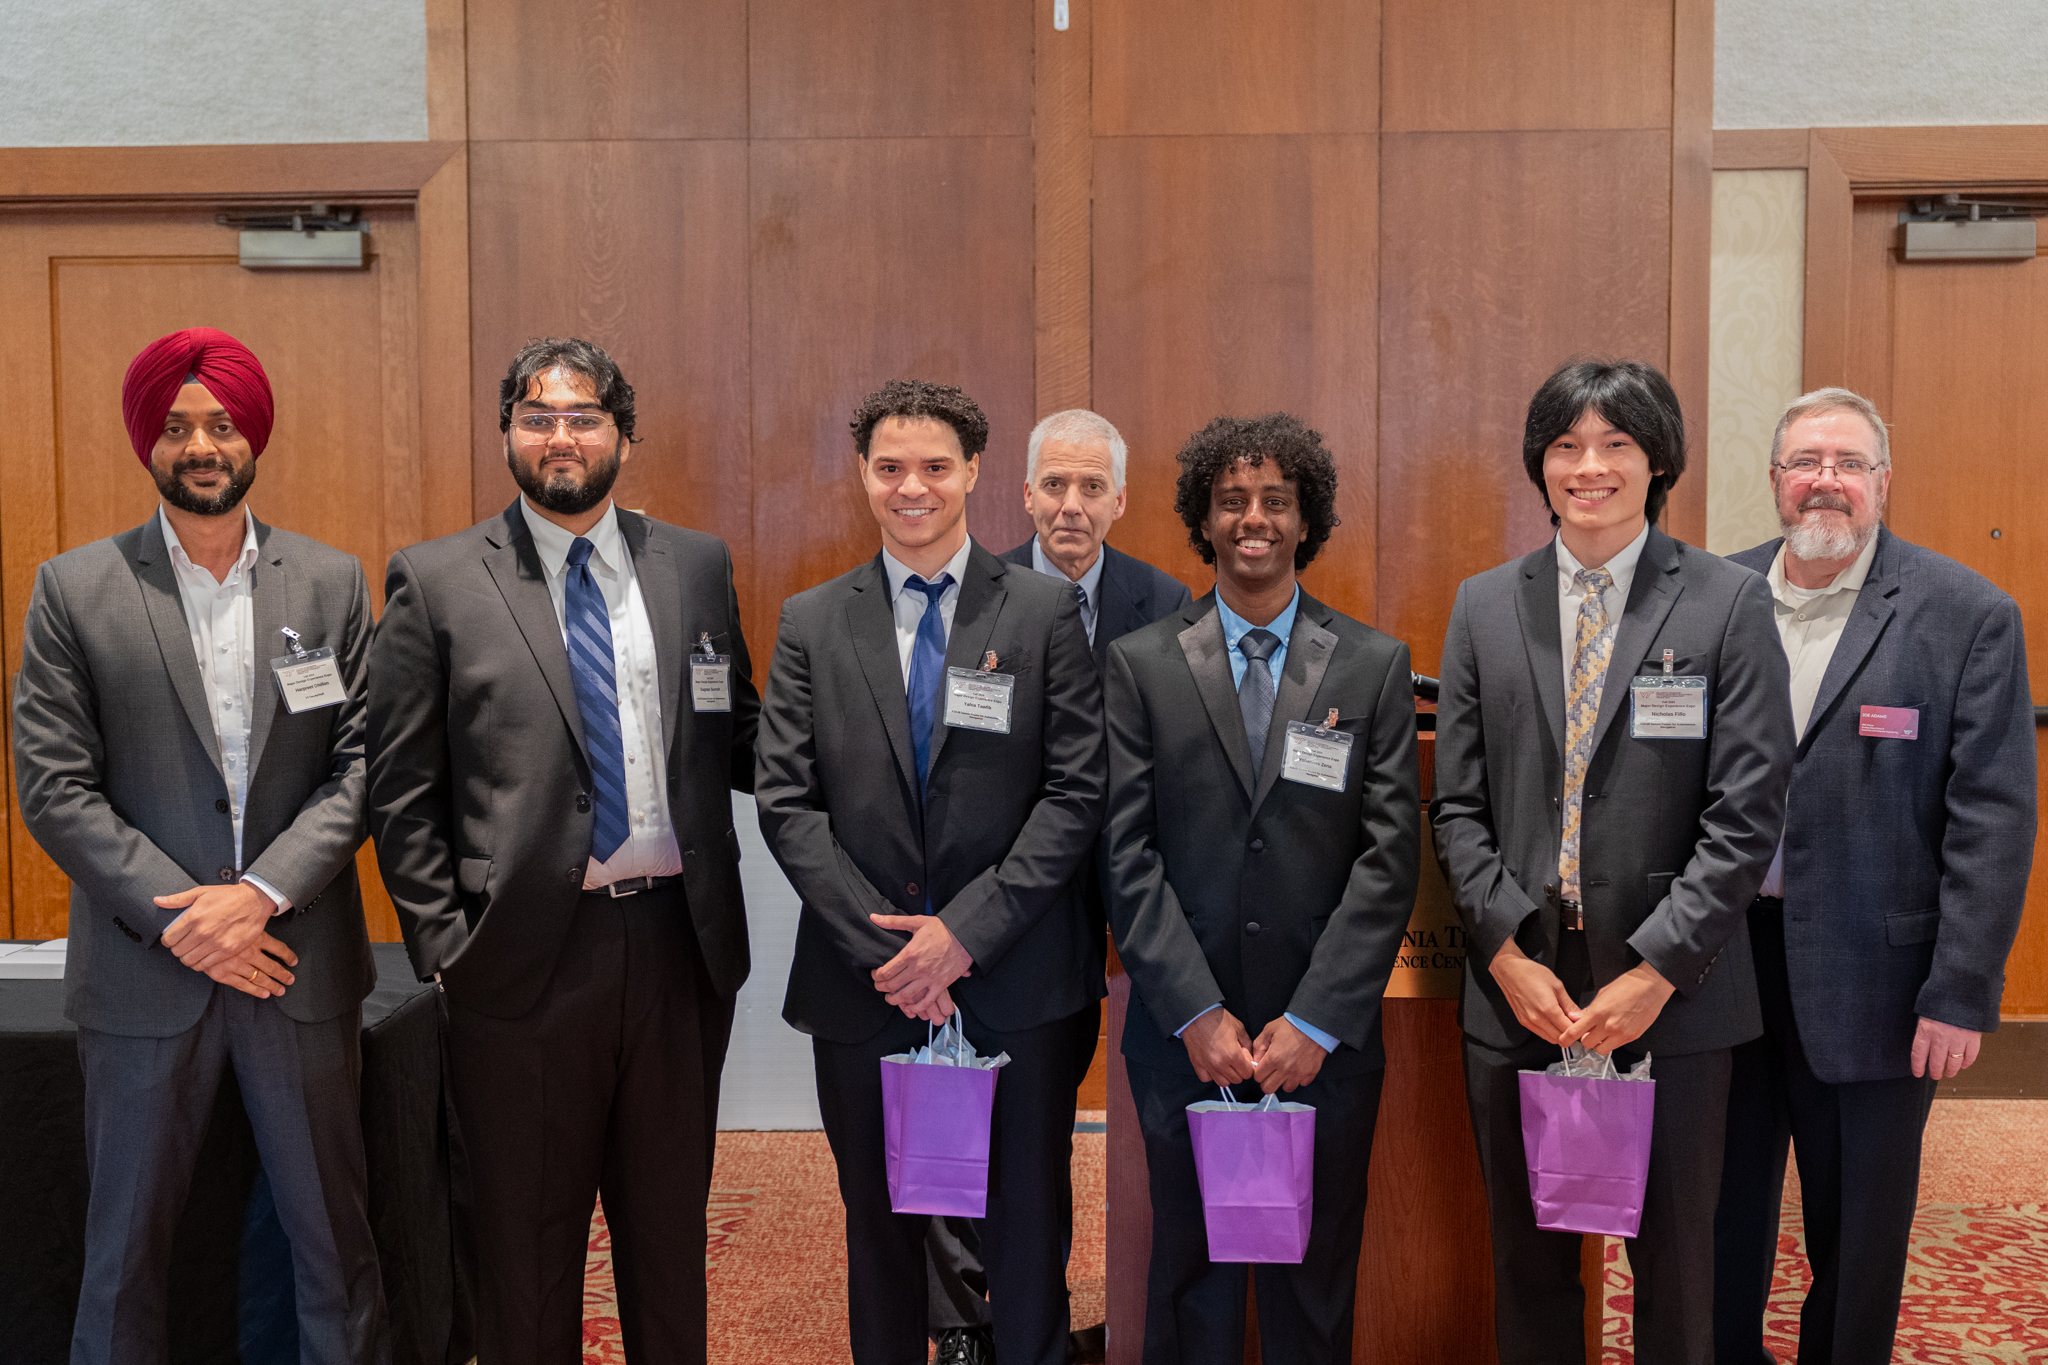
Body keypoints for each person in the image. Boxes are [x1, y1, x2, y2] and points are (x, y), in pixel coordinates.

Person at [364, 337, 759, 1365]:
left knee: (669, 1233)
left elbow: (742, 730)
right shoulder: (439, 579)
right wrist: (447, 945)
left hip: (678, 952)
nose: (560, 435)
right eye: (537, 416)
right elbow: (401, 785)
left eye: (583, 415)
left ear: (622, 433)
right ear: (507, 434)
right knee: (524, 1246)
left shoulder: (697, 565)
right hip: (522, 963)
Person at [14, 327, 388, 1365]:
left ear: (251, 435)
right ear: (149, 442)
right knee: (124, 1257)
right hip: (145, 975)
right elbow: (53, 786)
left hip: (296, 965)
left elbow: (363, 767)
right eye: (177, 427)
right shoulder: (74, 590)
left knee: (331, 1249)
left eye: (220, 423)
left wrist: (258, 895)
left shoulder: (331, 584)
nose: (201, 444)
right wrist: (194, 920)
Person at [1431, 359, 1794, 1364]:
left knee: (1675, 1267)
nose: (1587, 467)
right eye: (1563, 447)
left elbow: (1744, 814)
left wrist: (1655, 970)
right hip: (1520, 995)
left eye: (1614, 446)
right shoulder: (1482, 606)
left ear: (1656, 461)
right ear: (1539, 468)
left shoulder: (1727, 604)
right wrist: (1503, 949)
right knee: (1530, 1259)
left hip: (1672, 1002)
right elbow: (1455, 807)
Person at [755, 379, 1105, 1365]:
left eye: (934, 468)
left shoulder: (1041, 613)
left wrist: (962, 935)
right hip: (861, 986)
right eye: (890, 468)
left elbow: (1075, 793)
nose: (912, 488)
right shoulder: (811, 622)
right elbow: (785, 800)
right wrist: (893, 948)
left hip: (1015, 981)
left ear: (974, 475)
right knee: (880, 1235)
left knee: (1026, 1229)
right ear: (862, 476)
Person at [1712, 388, 2035, 1365]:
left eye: (1847, 464)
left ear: (1882, 483)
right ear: (1772, 480)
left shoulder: (1965, 614)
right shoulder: (1710, 595)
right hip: (1718, 968)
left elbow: (1992, 816)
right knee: (1714, 1213)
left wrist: (1959, 993)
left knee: (1855, 1235)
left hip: (1879, 982)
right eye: (1804, 461)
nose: (1824, 482)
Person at [1104, 413, 1419, 1365]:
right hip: (1182, 1035)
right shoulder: (1143, 662)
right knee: (1189, 1268)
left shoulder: (1372, 663)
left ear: (1304, 518)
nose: (1253, 518)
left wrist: (1316, 1019)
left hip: (1319, 1042)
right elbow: (1126, 853)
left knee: (1311, 1279)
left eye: (1275, 501)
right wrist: (1196, 1011)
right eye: (1232, 500)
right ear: (1203, 518)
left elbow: (1389, 855)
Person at [925, 408, 1191, 1365]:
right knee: (969, 1116)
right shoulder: (971, 596)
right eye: (1054, 486)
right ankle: (966, 1319)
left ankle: (1085, 1311)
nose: (1071, 506)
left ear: (1120, 500)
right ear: (1024, 491)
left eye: (1091, 488)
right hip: (1000, 905)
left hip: (1127, 901)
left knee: (1056, 1130)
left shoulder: (1168, 603)